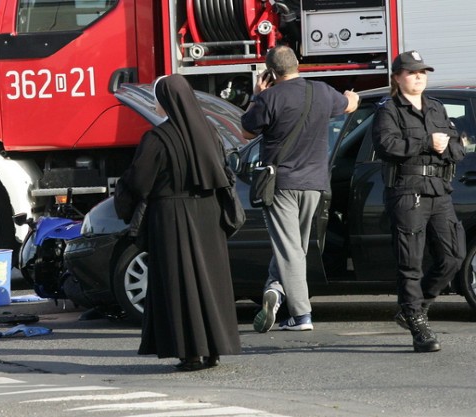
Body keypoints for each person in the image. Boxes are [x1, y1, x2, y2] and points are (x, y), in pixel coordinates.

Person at [114, 74, 242, 371]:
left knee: (179, 282)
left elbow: (139, 181)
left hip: (171, 217)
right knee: (210, 282)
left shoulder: (157, 139)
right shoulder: (209, 132)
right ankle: (213, 350)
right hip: (209, 216)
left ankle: (190, 353)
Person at [241, 45, 359, 333]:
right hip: (315, 184)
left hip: (281, 184)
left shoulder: (268, 98)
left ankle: (301, 315)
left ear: (271, 72)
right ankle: (276, 290)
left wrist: (257, 96)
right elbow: (349, 106)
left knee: (290, 248)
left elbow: (246, 131)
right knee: (296, 248)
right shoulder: (320, 91)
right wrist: (350, 96)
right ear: (298, 64)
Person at [372, 50, 465, 352]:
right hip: (407, 190)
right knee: (410, 262)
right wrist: (426, 142)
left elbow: (457, 148)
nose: (419, 77)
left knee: (453, 256)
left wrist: (447, 146)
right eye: (412, 72)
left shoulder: (436, 108)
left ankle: (415, 307)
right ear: (397, 78)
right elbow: (386, 144)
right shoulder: (388, 110)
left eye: (423, 72)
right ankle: (418, 326)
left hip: (439, 189)